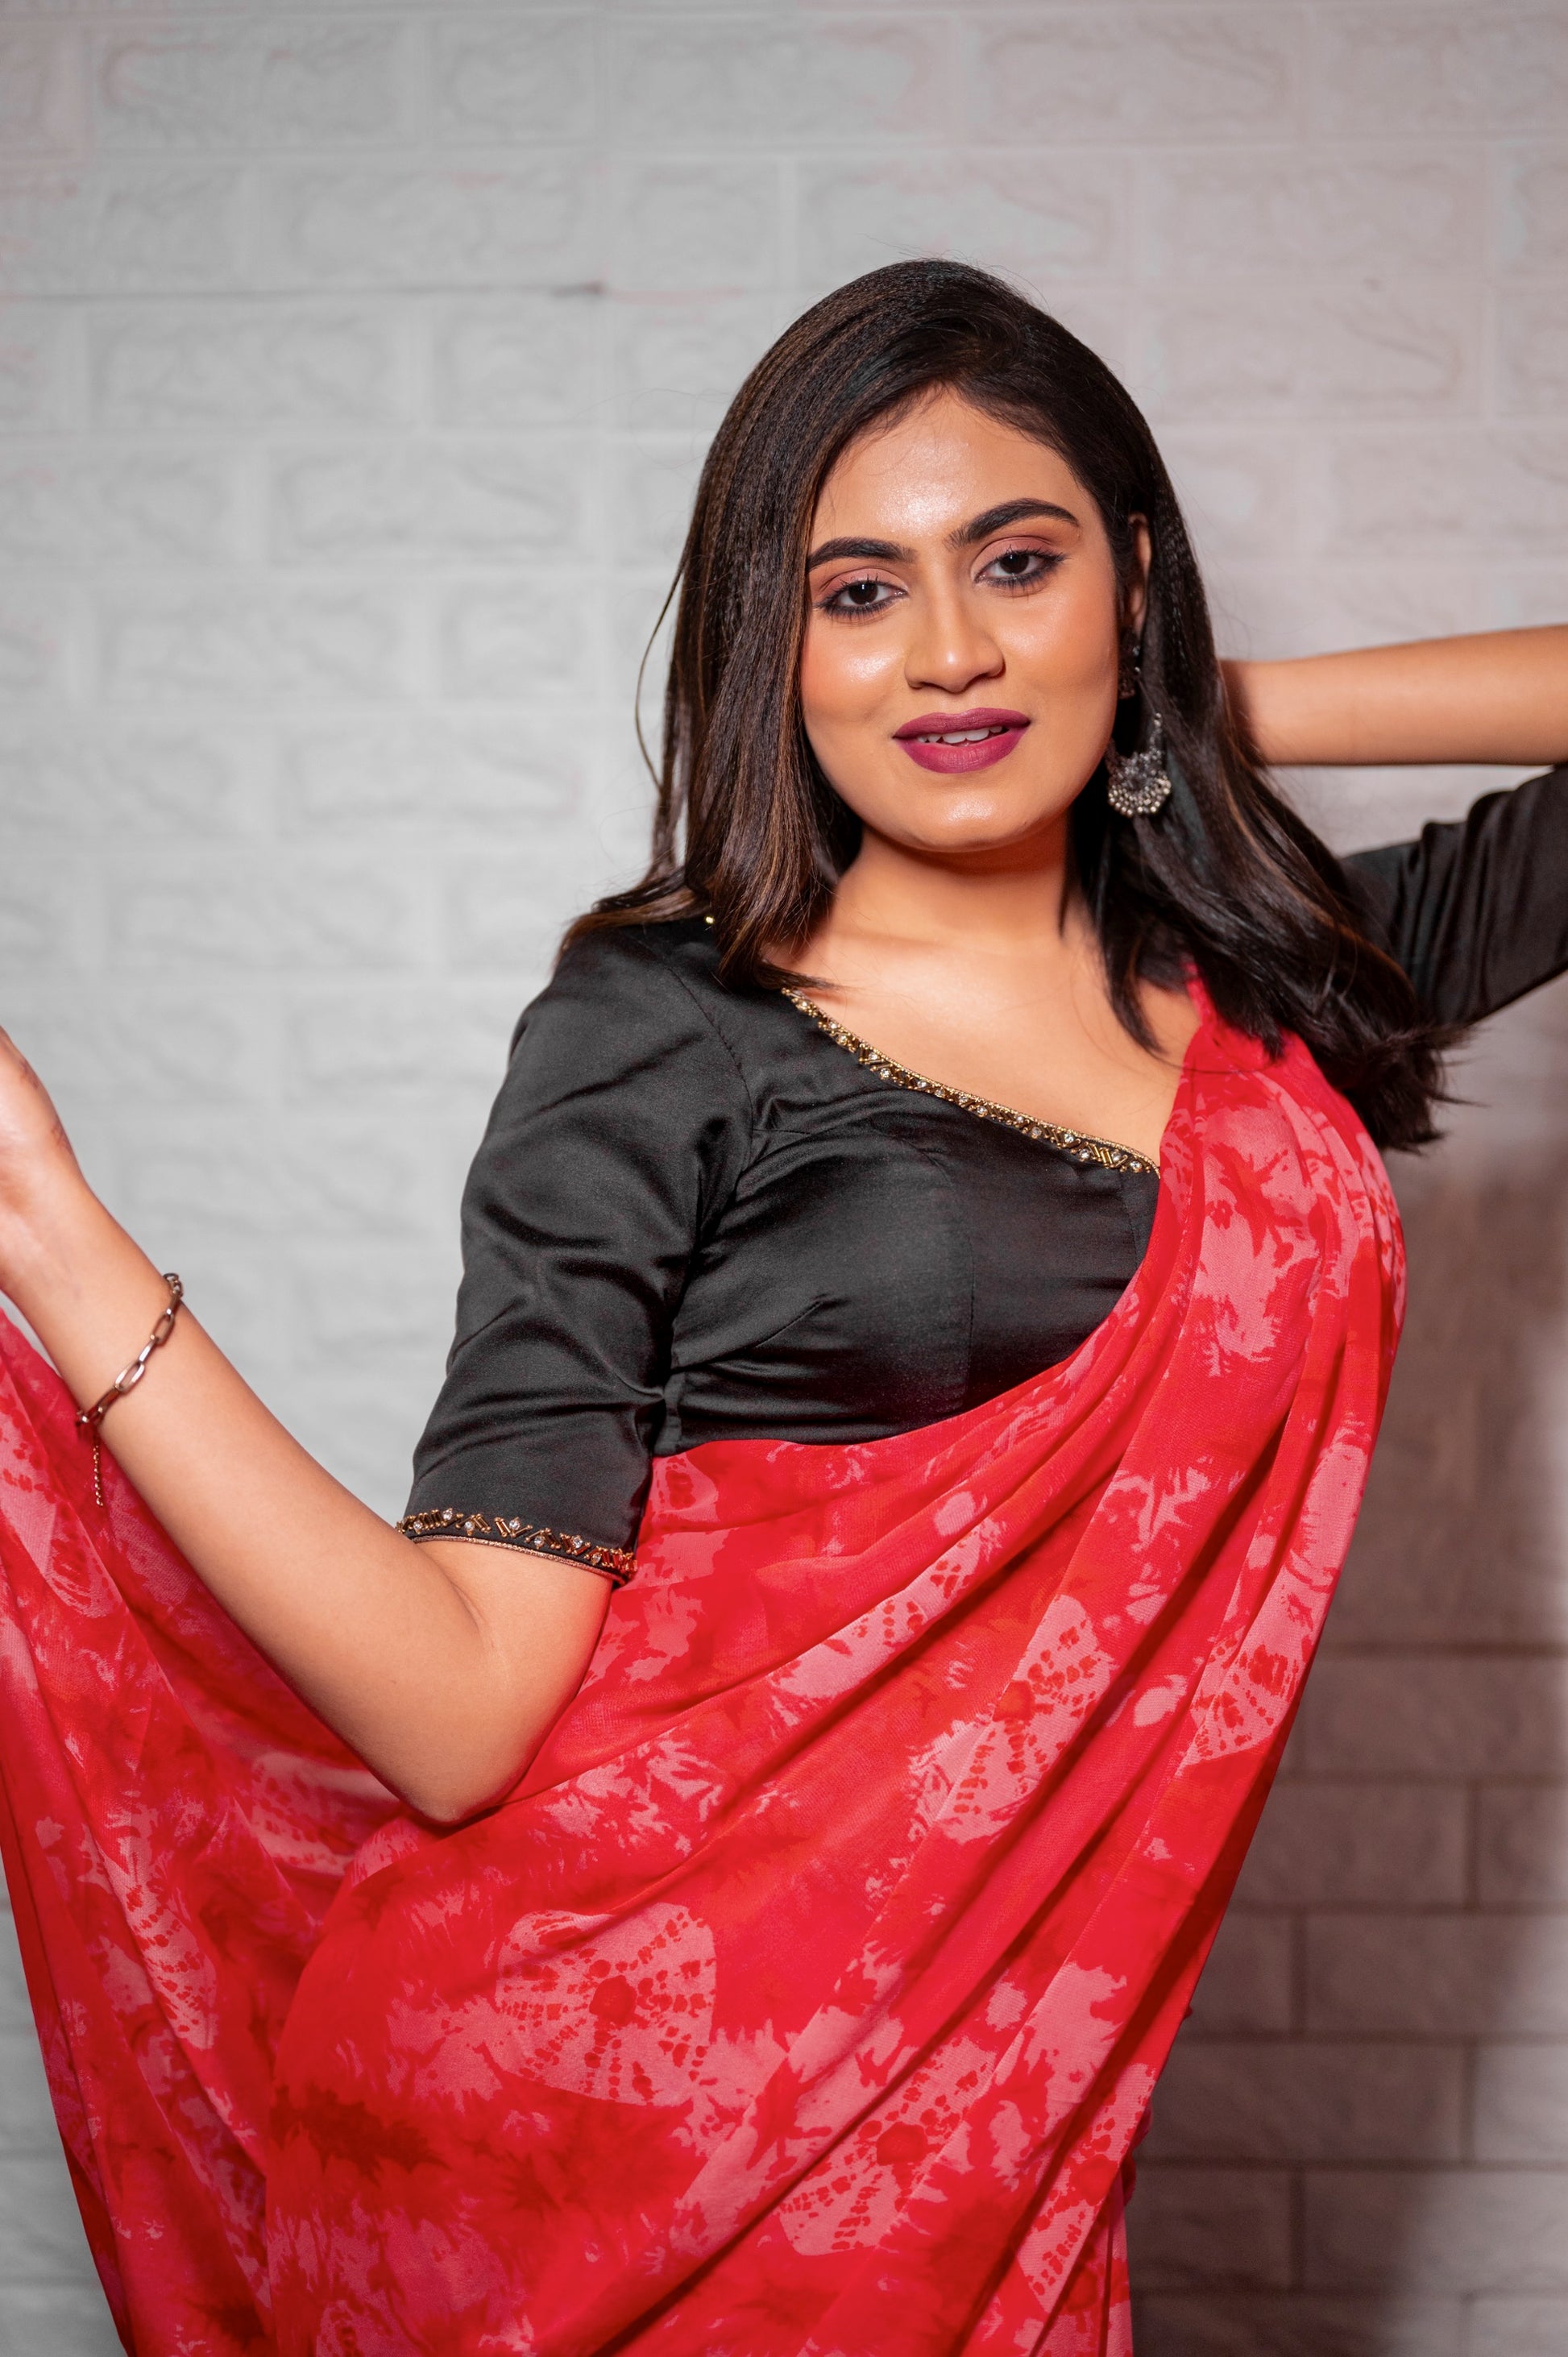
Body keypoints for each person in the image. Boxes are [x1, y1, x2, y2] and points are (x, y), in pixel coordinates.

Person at [0, 260, 1564, 2357]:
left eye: (1013, 565)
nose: (941, 648)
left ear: (1132, 574)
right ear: (776, 644)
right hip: (586, 2139)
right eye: (854, 592)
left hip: (988, 2161)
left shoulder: (1283, 980)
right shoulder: (665, 1021)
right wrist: (49, 1232)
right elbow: (462, 1718)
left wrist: (1182, 701)